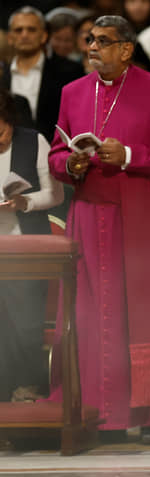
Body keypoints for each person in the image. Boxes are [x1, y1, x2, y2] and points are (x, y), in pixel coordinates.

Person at [47, 15, 150, 444]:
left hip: (145, 215)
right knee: (95, 317)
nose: (92, 47)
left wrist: (128, 155)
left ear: (127, 49)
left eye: (103, 41)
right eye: (89, 40)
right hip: (90, 216)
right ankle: (101, 413)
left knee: (144, 316)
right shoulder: (72, 92)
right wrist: (70, 163)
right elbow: (57, 153)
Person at [0, 87, 63, 403]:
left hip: (25, 250)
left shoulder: (32, 141)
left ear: (9, 120)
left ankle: (27, 388)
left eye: (1, 131)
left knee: (25, 325)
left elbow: (55, 195)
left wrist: (25, 202)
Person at [3, 6, 84, 138]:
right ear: (10, 37)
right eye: (18, 30)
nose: (24, 35)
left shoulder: (70, 72)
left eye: (31, 30)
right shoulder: (1, 74)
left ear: (44, 36)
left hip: (55, 150)